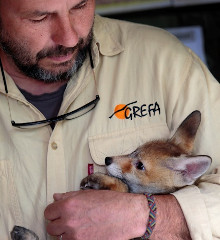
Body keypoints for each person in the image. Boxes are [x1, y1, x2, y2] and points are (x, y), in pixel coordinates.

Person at [0, 0, 220, 239]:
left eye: (80, 6)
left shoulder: (167, 62)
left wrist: (145, 216)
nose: (70, 38)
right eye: (39, 17)